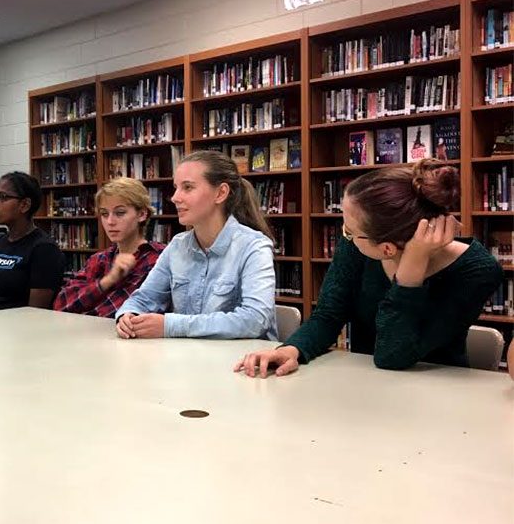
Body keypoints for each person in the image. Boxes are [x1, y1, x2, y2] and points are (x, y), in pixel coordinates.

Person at [235, 159, 504, 378]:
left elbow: (393, 356)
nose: (345, 236)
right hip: (367, 386)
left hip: (440, 394)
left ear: (386, 249)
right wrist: (294, 348)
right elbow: (328, 315)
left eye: (349, 232)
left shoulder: (477, 271)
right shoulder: (358, 246)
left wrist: (410, 274)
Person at [115, 150, 277, 340]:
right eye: (176, 187)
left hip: (243, 363)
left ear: (221, 193)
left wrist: (171, 326)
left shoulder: (254, 246)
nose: (175, 197)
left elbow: (255, 320)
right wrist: (128, 316)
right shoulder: (177, 246)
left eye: (188, 187)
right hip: (191, 359)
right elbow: (144, 298)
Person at [53, 177, 165, 317]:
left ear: (142, 214)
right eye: (104, 214)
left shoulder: (159, 257)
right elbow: (61, 304)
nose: (110, 222)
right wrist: (108, 280)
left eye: (120, 213)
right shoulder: (99, 259)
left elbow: (130, 312)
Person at [0, 171, 64, 310]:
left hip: (16, 328)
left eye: (3, 197)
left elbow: (36, 313)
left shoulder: (44, 249)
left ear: (24, 205)